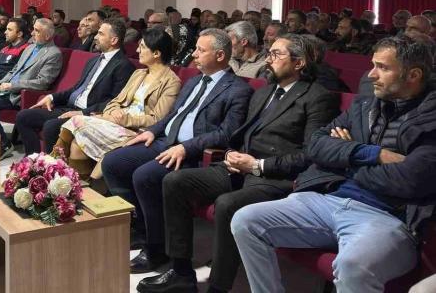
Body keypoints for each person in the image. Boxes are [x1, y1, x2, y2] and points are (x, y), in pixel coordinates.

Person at [232, 36, 436, 293]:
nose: (371, 74)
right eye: (373, 65)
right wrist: (371, 153)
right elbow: (316, 145)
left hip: (385, 215)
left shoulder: (430, 119)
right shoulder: (365, 105)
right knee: (245, 221)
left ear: (413, 75)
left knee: (353, 266)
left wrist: (345, 161)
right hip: (328, 198)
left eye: (383, 67)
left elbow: (409, 181)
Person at [140, 35, 338, 293]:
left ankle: (218, 287)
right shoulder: (265, 92)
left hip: (275, 176)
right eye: (269, 53)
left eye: (276, 54)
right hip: (241, 167)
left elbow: (310, 154)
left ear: (299, 63)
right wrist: (232, 154)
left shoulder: (317, 97)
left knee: (227, 204)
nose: (268, 60)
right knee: (175, 181)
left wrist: (258, 165)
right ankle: (181, 273)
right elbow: (240, 134)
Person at [101, 29, 252, 267]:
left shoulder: (238, 89)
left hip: (193, 153)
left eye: (201, 50)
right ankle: (142, 227)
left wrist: (186, 148)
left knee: (145, 176)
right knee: (112, 163)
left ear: (220, 55)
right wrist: (152, 131)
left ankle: (157, 248)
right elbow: (173, 114)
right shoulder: (194, 81)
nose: (194, 54)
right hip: (165, 141)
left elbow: (226, 133)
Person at [51, 28, 181, 179]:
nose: (137, 50)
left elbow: (157, 119)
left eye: (142, 47)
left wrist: (124, 119)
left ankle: (53, 169)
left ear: (156, 53)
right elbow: (115, 101)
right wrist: (114, 111)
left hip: (136, 130)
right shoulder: (139, 73)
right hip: (115, 121)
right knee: (77, 144)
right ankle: (68, 182)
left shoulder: (171, 82)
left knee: (76, 121)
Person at [15, 18, 134, 156]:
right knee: (23, 116)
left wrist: (82, 113)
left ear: (114, 40)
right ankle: (34, 158)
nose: (95, 37)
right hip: (70, 108)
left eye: (101, 34)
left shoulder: (123, 66)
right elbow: (76, 88)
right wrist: (51, 97)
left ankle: (53, 165)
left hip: (89, 114)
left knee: (51, 126)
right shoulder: (94, 60)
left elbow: (113, 102)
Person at [0, 18, 63, 158]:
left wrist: (12, 85)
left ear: (48, 36)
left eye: (37, 31)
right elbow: (14, 70)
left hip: (20, 94)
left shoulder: (53, 53)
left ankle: (3, 144)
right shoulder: (30, 48)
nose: (32, 33)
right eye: (33, 29)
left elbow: (42, 82)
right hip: (5, 88)